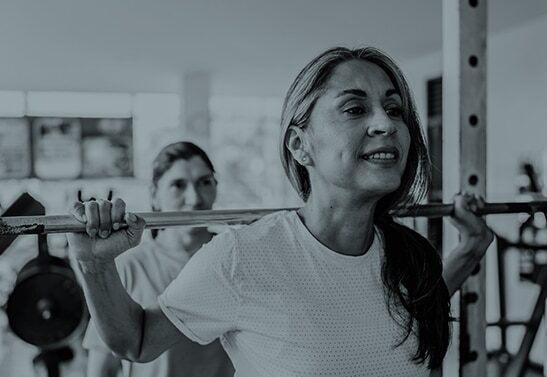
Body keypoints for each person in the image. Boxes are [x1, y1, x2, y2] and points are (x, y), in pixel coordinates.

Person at [67, 47, 495, 376]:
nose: (386, 124)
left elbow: (401, 312)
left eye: (395, 109)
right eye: (355, 108)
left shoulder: (414, 258)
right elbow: (137, 341)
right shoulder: (242, 256)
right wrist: (93, 265)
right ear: (299, 144)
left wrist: (472, 246)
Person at [83, 141, 235, 377]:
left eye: (205, 182)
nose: (194, 198)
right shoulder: (125, 266)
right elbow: (101, 369)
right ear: (155, 194)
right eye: (178, 185)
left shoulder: (235, 259)